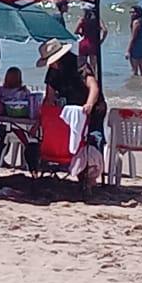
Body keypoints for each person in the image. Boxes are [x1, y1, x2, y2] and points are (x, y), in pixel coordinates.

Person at [38, 38, 107, 188]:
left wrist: (89, 104)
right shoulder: (53, 70)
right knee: (67, 136)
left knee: (93, 137)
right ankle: (70, 163)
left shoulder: (79, 64)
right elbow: (49, 96)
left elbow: (93, 87)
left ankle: (90, 176)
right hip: (70, 108)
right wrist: (45, 114)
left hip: (93, 108)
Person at [74, 4, 108, 70]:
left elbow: (76, 31)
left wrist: (82, 33)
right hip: (93, 43)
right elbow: (105, 30)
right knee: (93, 66)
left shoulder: (82, 19)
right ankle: (93, 78)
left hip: (84, 42)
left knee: (81, 65)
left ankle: (83, 78)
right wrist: (101, 40)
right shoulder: (97, 19)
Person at [125, 5, 142, 77]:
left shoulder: (136, 22)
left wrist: (128, 50)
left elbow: (133, 37)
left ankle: (136, 86)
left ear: (138, 12)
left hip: (136, 46)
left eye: (133, 12)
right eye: (130, 12)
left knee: (135, 71)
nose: (132, 14)